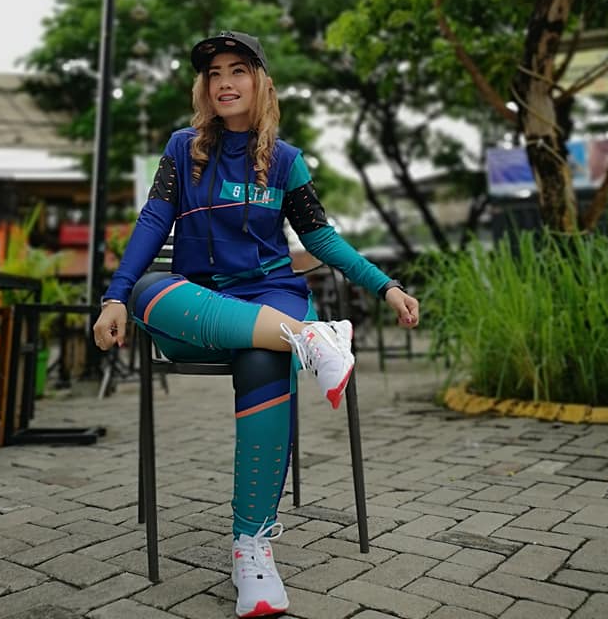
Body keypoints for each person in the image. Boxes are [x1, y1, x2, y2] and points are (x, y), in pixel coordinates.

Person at [93, 30, 419, 618]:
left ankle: (252, 547)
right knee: (145, 292)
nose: (224, 82)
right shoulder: (182, 149)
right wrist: (114, 297)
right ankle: (315, 341)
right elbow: (152, 222)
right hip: (199, 304)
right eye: (214, 72)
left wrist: (385, 286)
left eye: (238, 70)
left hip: (272, 295)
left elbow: (320, 239)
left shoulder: (286, 161)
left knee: (263, 355)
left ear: (261, 81)